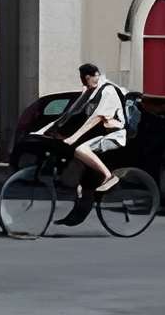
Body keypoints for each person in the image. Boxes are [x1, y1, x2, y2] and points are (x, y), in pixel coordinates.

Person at [33, 62, 128, 226]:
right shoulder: (91, 91)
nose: (84, 83)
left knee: (80, 149)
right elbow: (71, 113)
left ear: (93, 76)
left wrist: (74, 137)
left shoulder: (108, 91)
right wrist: (47, 131)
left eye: (86, 79)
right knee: (76, 169)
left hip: (114, 135)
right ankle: (77, 209)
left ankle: (109, 176)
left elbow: (95, 118)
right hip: (100, 136)